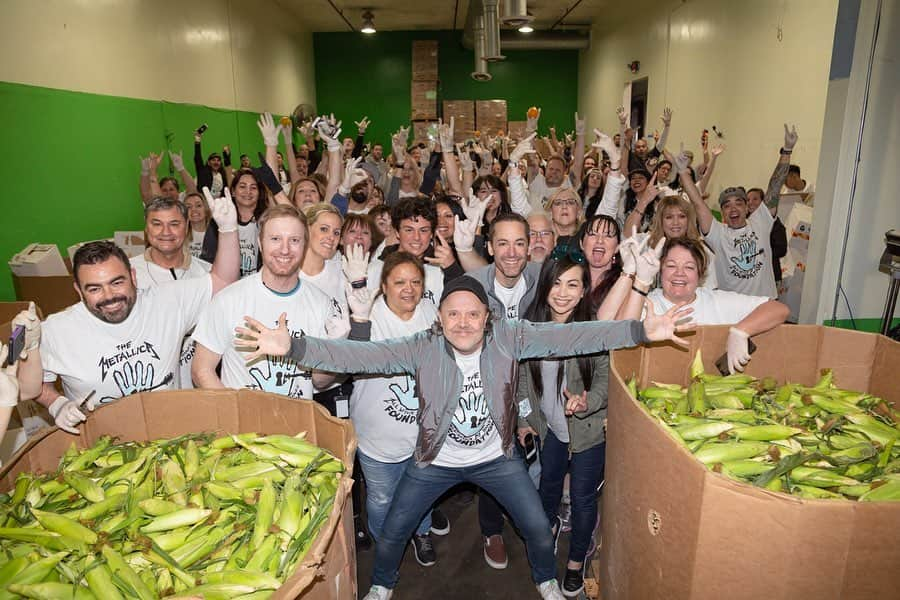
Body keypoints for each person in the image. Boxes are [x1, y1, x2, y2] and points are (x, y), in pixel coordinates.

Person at [236, 276, 692, 600]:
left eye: (472, 314)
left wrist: (639, 332)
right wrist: (294, 347)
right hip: (435, 459)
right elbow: (360, 354)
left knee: (535, 526)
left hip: (498, 458)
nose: (463, 323)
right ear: (439, 317)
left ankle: (544, 580)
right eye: (453, 314)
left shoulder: (509, 338)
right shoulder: (421, 345)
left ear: (487, 317)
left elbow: (572, 336)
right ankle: (382, 585)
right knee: (393, 530)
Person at [20, 200, 238, 433]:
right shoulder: (57, 330)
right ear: (78, 290)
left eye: (117, 282)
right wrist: (56, 404)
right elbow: (28, 388)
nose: (109, 296)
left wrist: (227, 229)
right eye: (94, 289)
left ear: (133, 276)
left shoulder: (166, 302)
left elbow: (222, 281)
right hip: (102, 445)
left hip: (172, 433)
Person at [344, 252, 448, 566]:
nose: (409, 289)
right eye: (399, 281)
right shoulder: (368, 315)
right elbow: (352, 362)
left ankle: (422, 531)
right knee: (381, 498)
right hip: (378, 436)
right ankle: (387, 542)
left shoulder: (431, 313)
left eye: (416, 281)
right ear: (384, 285)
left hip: (423, 434)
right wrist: (358, 323)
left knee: (421, 492)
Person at [517, 255, 610, 597]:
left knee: (584, 500)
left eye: (573, 284)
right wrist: (524, 419)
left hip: (586, 433)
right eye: (556, 282)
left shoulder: (593, 330)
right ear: (545, 286)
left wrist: (589, 401)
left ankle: (574, 564)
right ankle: (549, 530)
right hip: (551, 431)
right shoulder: (530, 328)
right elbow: (522, 382)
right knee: (548, 490)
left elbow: (604, 378)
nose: (562, 292)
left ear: (584, 289)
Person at [192, 205, 340, 400]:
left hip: (298, 426)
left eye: (294, 240)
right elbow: (201, 370)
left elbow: (320, 381)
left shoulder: (321, 304)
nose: (285, 249)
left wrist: (335, 348)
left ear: (304, 246)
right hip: (242, 426)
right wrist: (234, 412)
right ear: (260, 244)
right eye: (275, 239)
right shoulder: (228, 300)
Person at [619, 237, 789, 373]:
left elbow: (778, 309)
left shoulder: (716, 300)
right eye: (671, 266)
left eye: (689, 267)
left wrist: (741, 331)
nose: (679, 273)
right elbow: (620, 336)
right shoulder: (646, 302)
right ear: (660, 270)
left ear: (700, 274)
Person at [680, 125, 797, 299]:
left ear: (747, 207)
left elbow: (775, 186)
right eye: (727, 205)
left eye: (738, 203)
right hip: (732, 310)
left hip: (764, 305)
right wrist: (682, 172)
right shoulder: (718, 233)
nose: (733, 208)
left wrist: (786, 151)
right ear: (722, 211)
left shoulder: (760, 222)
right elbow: (697, 202)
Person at [200, 169, 269, 278]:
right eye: (242, 186)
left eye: (253, 187)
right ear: (232, 191)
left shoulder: (268, 221)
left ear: (259, 192)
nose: (248, 191)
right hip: (225, 285)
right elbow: (207, 259)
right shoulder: (220, 220)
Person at [185, 192, 212, 258]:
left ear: (206, 210)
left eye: (198, 205)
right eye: (188, 207)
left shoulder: (216, 234)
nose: (194, 209)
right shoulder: (180, 235)